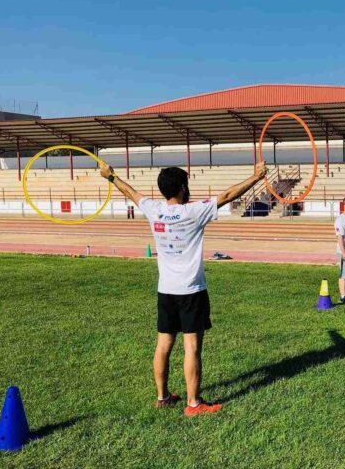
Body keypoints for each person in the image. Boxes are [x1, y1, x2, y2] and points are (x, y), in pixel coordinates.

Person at [98, 161, 268, 416]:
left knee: (163, 344)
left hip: (165, 290)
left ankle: (162, 397)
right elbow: (227, 196)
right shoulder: (192, 212)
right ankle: (193, 404)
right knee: (192, 347)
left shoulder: (154, 209)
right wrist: (256, 177)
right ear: (181, 188)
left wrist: (111, 177)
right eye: (186, 185)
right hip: (191, 290)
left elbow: (131, 193)